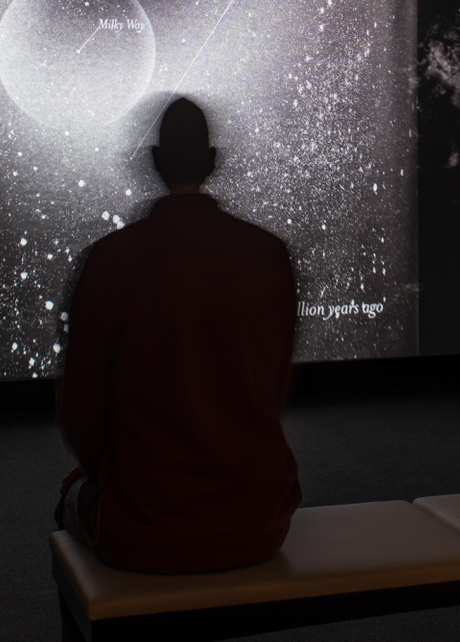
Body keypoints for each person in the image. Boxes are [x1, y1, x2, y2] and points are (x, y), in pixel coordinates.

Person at [56, 97, 301, 573]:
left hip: (144, 529)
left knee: (70, 502)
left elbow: (81, 411)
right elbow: (273, 390)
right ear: (213, 161)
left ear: (153, 162)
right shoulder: (269, 254)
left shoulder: (112, 260)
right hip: (261, 522)